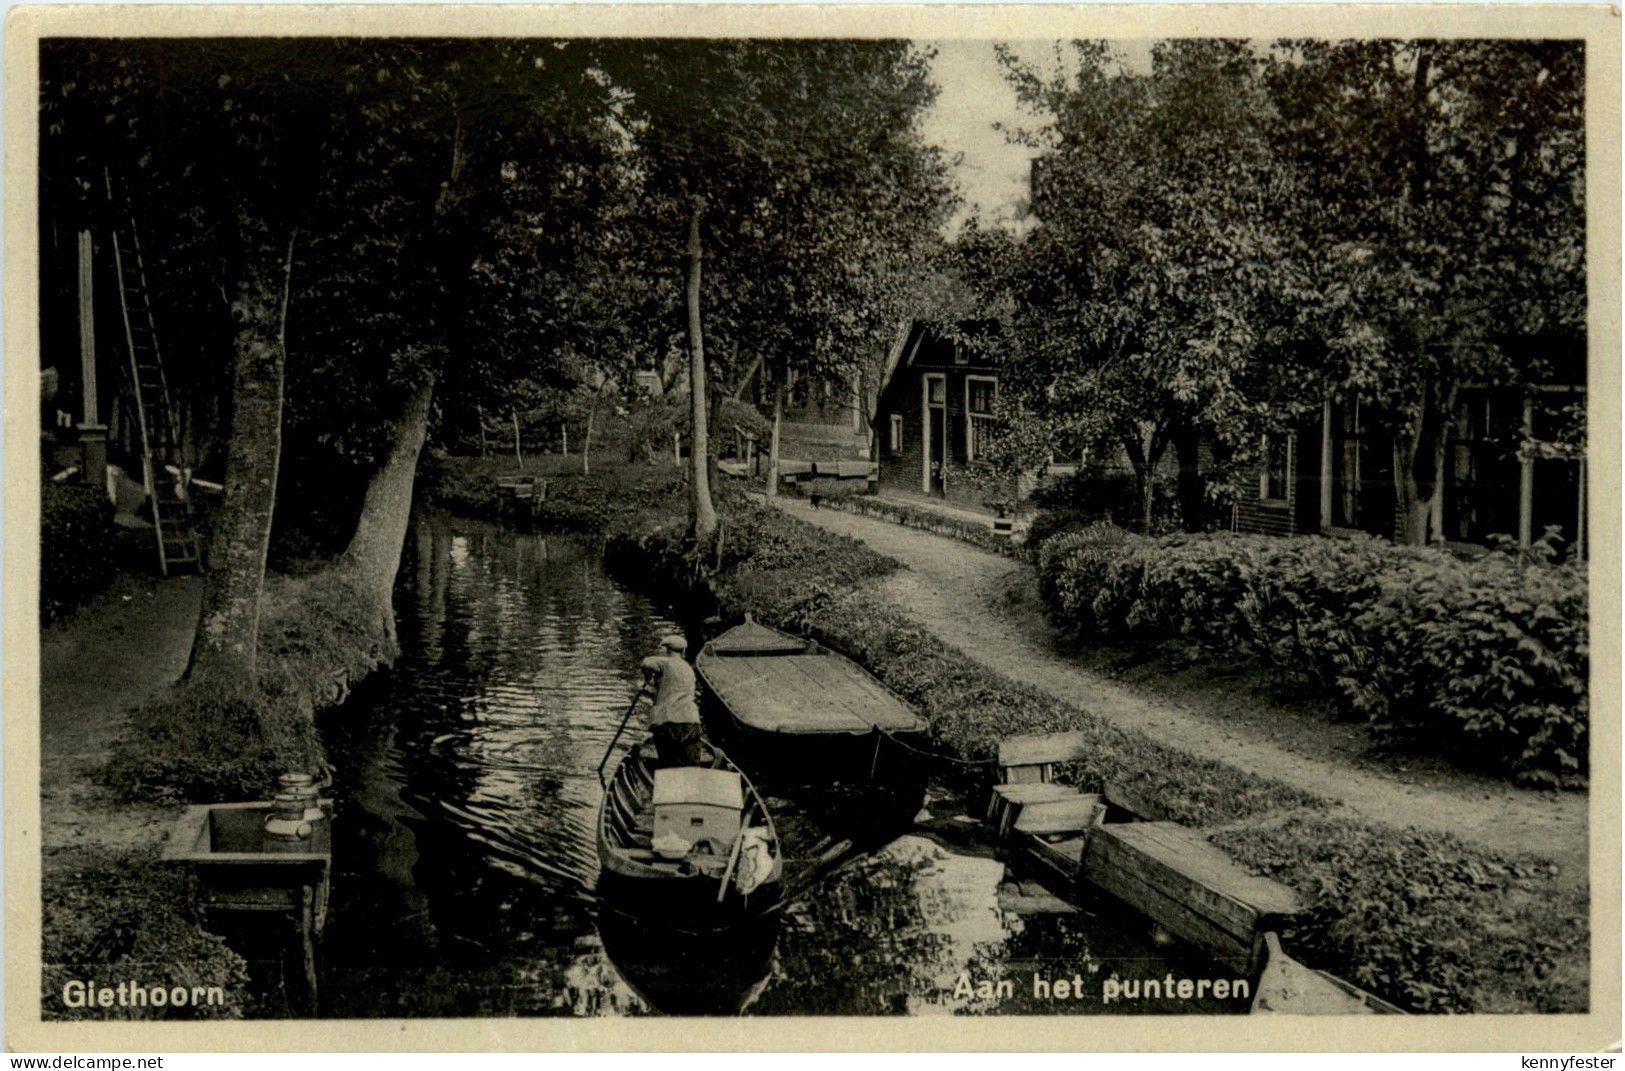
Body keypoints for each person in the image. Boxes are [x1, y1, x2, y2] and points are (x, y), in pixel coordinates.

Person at [640, 634, 704, 768]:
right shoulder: (688, 669)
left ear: (667, 651)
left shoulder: (666, 663)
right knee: (690, 765)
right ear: (683, 652)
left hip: (668, 721)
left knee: (668, 764)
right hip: (691, 721)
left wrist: (649, 680)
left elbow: (646, 662)